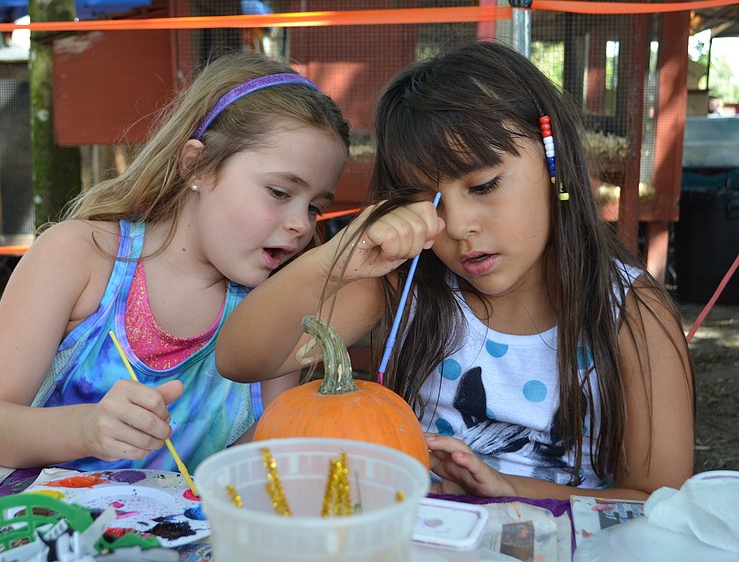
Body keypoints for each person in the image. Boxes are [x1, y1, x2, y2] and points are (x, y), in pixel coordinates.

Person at [215, 42, 694, 500]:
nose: (459, 225)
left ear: (554, 163)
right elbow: (241, 359)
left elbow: (657, 499)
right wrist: (335, 260)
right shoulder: (409, 284)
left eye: (484, 185)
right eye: (427, 201)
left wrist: (512, 490)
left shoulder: (628, 311)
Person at [0, 50, 350, 472]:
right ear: (197, 166)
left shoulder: (274, 307)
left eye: (314, 208)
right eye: (279, 192)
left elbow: (263, 461)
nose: (300, 225)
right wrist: (86, 427)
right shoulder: (79, 256)